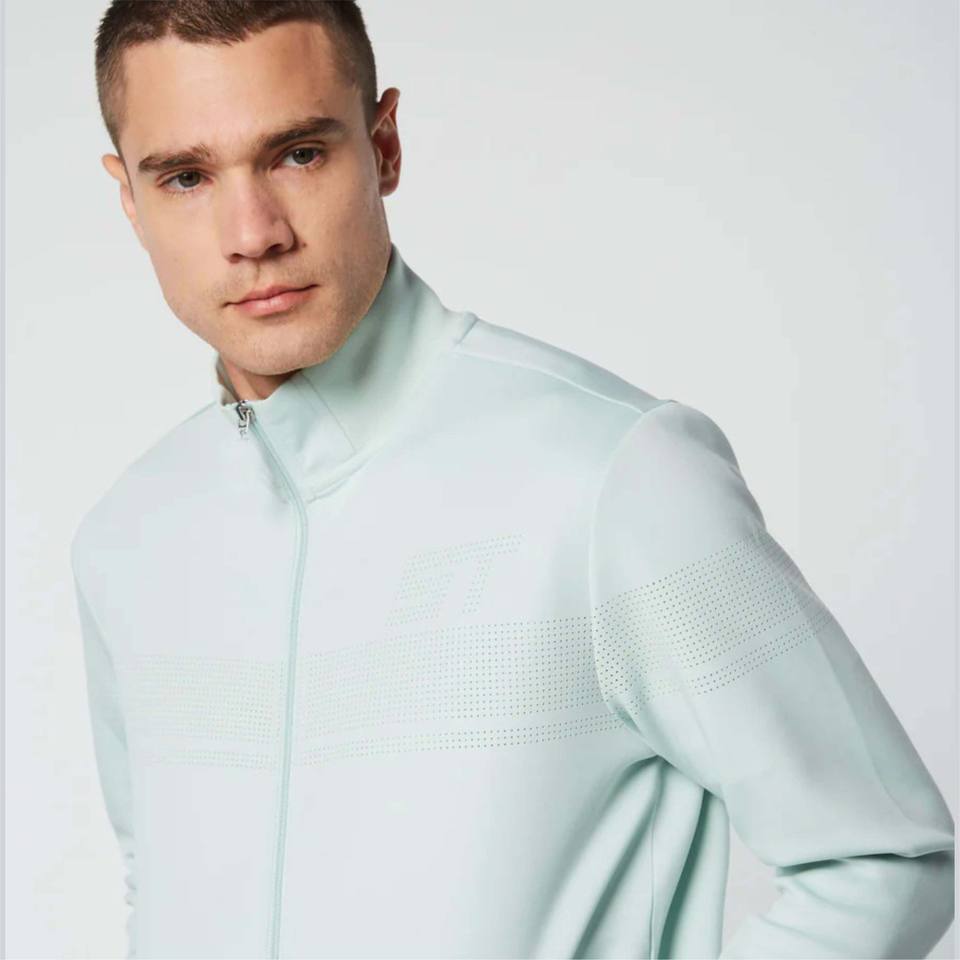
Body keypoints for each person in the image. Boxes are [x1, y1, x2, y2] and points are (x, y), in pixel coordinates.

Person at [73, 2, 955, 958]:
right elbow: (159, 886)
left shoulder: (614, 476)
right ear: (130, 199)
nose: (253, 233)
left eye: (298, 154)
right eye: (187, 177)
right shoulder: (129, 538)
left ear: (384, 145)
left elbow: (881, 859)